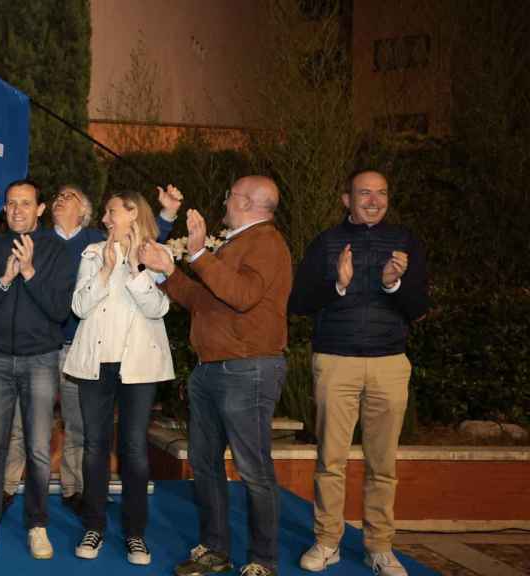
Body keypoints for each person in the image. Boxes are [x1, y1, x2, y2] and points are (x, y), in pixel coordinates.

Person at [0, 184, 182, 514]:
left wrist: (166, 215)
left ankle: (75, 489)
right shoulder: (38, 241)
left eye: (68, 197)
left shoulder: (93, 242)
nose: (59, 200)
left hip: (76, 351)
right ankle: (8, 486)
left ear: (84, 211)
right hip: (40, 350)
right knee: (16, 429)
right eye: (57, 196)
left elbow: (139, 241)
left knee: (77, 427)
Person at [139, 176, 292, 576]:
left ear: (244, 201)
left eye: (228, 196)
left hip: (248, 368)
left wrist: (199, 253)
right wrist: (166, 271)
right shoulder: (235, 244)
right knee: (205, 464)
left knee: (253, 469)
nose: (223, 202)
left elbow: (242, 296)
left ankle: (264, 560)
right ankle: (216, 549)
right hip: (212, 369)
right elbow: (201, 301)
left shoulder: (267, 243)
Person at [290, 170, 429, 576]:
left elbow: (418, 306)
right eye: (364, 193)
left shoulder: (406, 241)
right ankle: (328, 541)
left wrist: (393, 285)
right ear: (346, 199)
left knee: (383, 463)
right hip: (336, 360)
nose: (373, 200)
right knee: (330, 460)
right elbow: (298, 301)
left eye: (381, 193)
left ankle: (380, 547)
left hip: (389, 362)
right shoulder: (326, 243)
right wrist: (337, 282)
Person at [0, 179, 77, 560]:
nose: (17, 210)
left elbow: (60, 311)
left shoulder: (58, 253)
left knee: (38, 450)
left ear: (40, 209)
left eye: (25, 204)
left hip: (41, 361)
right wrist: (4, 279)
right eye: (11, 203)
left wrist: (30, 273)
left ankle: (37, 524)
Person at [64, 191, 175, 566]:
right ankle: (93, 526)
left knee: (134, 451)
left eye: (112, 212)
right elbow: (78, 306)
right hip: (96, 365)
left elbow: (160, 307)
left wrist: (135, 271)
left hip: (139, 369)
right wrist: (107, 270)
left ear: (131, 213)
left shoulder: (157, 255)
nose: (107, 219)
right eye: (107, 213)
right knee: (95, 447)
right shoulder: (93, 253)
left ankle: (135, 534)